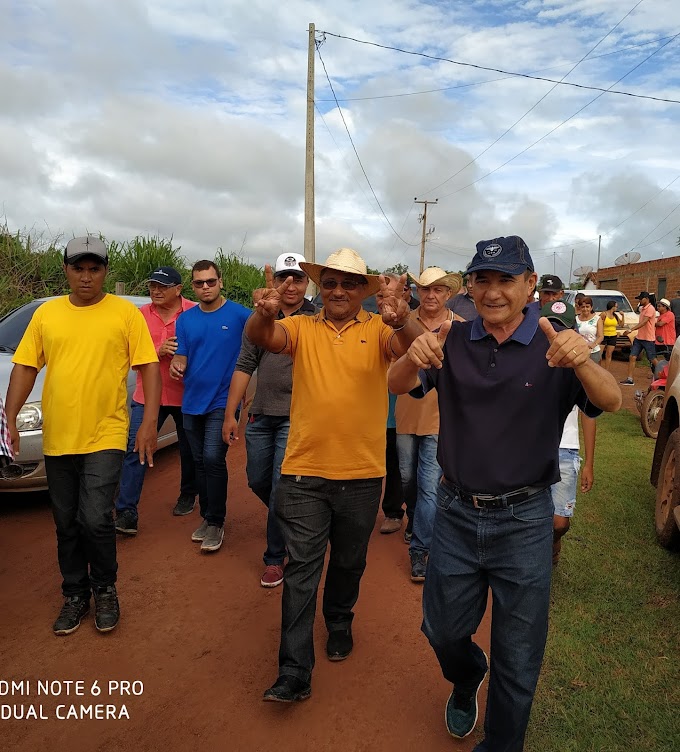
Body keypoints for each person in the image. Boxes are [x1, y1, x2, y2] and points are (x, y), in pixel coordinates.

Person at [389, 235, 621, 750]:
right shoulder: (452, 337)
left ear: (530, 284)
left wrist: (582, 358)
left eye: (506, 280)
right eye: (483, 280)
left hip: (525, 519)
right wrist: (413, 353)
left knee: (518, 656)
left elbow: (609, 401)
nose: (493, 292)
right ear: (470, 286)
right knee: (442, 630)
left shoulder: (554, 343)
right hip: (455, 511)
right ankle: (468, 675)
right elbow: (396, 383)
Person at [246, 247, 420, 703]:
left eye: (348, 283)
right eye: (330, 283)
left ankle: (339, 618)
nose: (338, 290)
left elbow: (411, 350)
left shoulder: (381, 327)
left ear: (362, 290)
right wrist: (261, 315)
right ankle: (293, 670)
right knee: (303, 567)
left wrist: (402, 319)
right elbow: (264, 338)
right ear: (319, 288)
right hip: (304, 471)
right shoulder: (301, 326)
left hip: (362, 474)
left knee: (348, 561)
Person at [5, 236, 161, 635]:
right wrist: (9, 418)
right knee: (65, 522)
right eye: (79, 268)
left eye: (94, 269)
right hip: (59, 435)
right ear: (66, 270)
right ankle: (75, 594)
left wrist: (147, 423)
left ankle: (105, 588)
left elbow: (148, 367)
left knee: (94, 517)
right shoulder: (47, 316)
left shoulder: (125, 315)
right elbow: (25, 366)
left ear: (106, 271)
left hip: (106, 433)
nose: (87, 277)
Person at [222, 253, 316, 587]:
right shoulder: (259, 319)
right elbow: (245, 363)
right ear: (273, 281)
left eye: (298, 278)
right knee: (256, 480)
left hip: (297, 417)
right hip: (261, 414)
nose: (290, 285)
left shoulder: (316, 319)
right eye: (283, 278)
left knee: (279, 488)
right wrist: (231, 412)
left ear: (308, 284)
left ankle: (275, 557)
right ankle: (298, 519)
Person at [169, 260, 250, 553]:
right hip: (191, 402)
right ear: (192, 286)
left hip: (223, 401)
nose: (205, 287)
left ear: (221, 282)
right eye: (199, 283)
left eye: (210, 281)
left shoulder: (241, 315)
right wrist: (176, 365)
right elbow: (183, 355)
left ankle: (216, 521)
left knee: (213, 458)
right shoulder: (186, 320)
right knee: (199, 461)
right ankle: (207, 517)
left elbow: (266, 339)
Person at [114, 266, 198, 536]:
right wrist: (157, 350)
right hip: (147, 396)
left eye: (163, 286)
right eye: (153, 286)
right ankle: (126, 511)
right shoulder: (138, 316)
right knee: (136, 447)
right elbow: (126, 355)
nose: (156, 291)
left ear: (178, 289)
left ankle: (187, 494)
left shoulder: (195, 313)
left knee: (189, 451)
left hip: (186, 396)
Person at [397, 267, 463, 581]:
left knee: (428, 489)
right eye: (425, 289)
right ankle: (415, 520)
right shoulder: (402, 321)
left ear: (448, 293)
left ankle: (421, 551)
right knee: (407, 479)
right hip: (406, 414)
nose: (431, 295)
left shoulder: (461, 328)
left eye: (438, 289)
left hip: (441, 420)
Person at [376, 274, 407, 535]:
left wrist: (399, 325)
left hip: (398, 412)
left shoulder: (406, 326)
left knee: (397, 466)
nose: (384, 300)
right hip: (369, 411)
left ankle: (394, 512)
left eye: (391, 295)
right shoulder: (367, 326)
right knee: (373, 465)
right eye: (379, 295)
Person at [620, 291, 656, 385]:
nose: (639, 300)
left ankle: (663, 375)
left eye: (641, 298)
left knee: (652, 359)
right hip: (639, 337)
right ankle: (630, 379)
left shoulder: (650, 309)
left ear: (647, 299)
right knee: (632, 356)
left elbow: (644, 322)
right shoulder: (642, 308)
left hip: (648, 338)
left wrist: (631, 330)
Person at [575, 296, 604, 363]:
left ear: (591, 307)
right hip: (579, 351)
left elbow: (601, 336)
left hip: (593, 352)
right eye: (583, 307)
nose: (585, 309)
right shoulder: (575, 319)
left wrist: (593, 345)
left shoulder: (597, 319)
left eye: (587, 307)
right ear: (579, 308)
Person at [600, 300, 622, 371]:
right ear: (612, 307)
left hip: (613, 336)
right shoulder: (604, 314)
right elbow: (599, 324)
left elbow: (621, 324)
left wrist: (623, 316)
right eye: (616, 306)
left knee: (609, 354)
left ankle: (607, 370)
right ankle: (599, 368)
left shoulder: (615, 315)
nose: (617, 308)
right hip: (604, 335)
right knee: (599, 353)